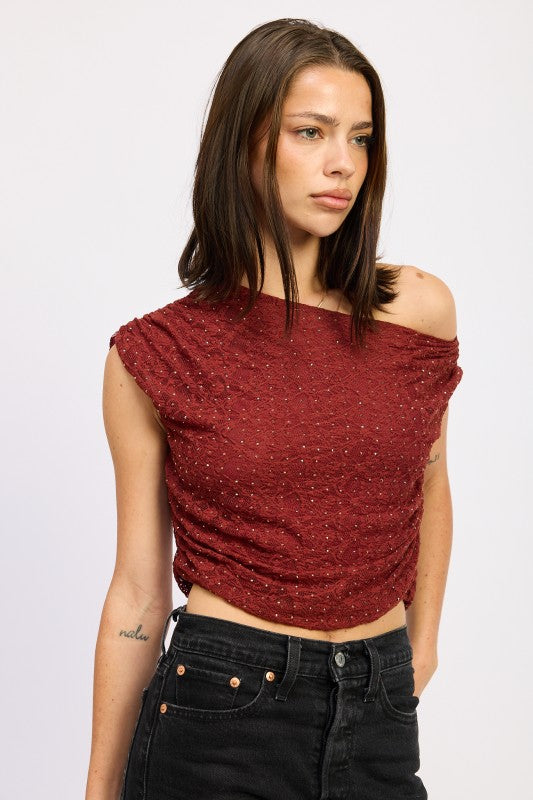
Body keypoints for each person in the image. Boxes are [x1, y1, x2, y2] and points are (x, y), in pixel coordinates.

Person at [85, 17, 463, 800]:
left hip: (378, 708)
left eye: (360, 138)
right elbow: (137, 592)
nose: (342, 162)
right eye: (310, 132)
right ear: (245, 143)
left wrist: (419, 646)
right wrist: (98, 790)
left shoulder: (416, 312)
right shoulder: (157, 353)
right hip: (219, 712)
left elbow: (428, 480)